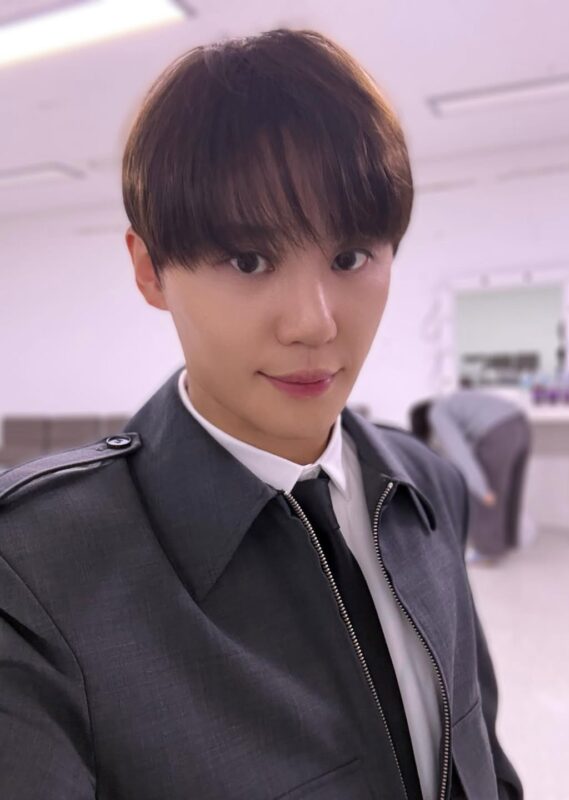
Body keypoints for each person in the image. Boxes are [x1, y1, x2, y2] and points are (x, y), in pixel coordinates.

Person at [0, 30, 523, 800]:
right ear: (150, 270)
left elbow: (479, 761)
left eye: (350, 257)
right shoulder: (34, 566)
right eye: (249, 261)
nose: (314, 322)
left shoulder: (425, 486)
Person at [409, 383, 531, 562]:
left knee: (486, 494)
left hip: (498, 431)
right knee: (511, 491)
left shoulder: (437, 413)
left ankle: (488, 551)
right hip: (521, 425)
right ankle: (508, 542)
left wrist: (482, 490)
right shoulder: (453, 404)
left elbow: (461, 455)